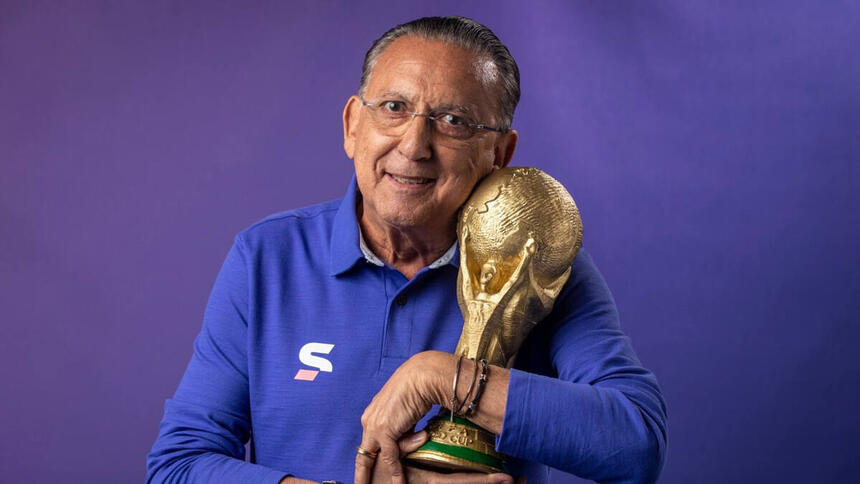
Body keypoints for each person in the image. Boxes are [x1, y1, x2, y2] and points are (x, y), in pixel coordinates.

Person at [147, 16, 667, 484]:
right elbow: (178, 464)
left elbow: (636, 446)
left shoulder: (539, 263)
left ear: (500, 154)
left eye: (454, 121)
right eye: (394, 108)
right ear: (353, 126)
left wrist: (442, 377)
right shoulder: (267, 258)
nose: (415, 145)